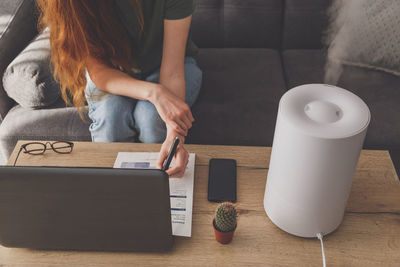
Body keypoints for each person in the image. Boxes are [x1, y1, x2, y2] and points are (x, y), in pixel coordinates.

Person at [36, 0, 202, 177]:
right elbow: (100, 71)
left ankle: (159, 189)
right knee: (111, 118)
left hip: (165, 66)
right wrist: (154, 93)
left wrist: (175, 136)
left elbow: (172, 72)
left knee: (150, 119)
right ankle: (110, 195)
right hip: (110, 71)